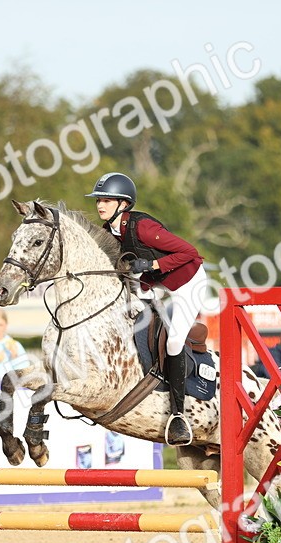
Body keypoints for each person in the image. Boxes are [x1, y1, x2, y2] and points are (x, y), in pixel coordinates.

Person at [87, 171, 207, 446]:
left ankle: (178, 415)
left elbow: (190, 252)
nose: (100, 205)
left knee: (175, 340)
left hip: (187, 282)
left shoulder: (142, 227)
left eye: (107, 200)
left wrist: (152, 266)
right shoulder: (109, 233)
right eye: (98, 201)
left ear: (124, 204)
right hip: (153, 285)